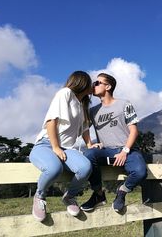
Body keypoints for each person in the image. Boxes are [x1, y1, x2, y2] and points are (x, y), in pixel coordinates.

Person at [29, 71, 99, 222]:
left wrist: (90, 145)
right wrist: (55, 147)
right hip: (46, 144)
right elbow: (51, 121)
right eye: (91, 82)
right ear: (82, 82)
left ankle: (69, 196)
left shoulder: (82, 105)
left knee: (85, 167)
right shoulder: (65, 93)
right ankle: (39, 196)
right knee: (54, 169)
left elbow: (85, 129)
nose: (93, 85)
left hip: (66, 148)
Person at [80, 72, 147, 213]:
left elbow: (134, 131)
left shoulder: (125, 104)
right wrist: (89, 145)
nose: (94, 85)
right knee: (88, 155)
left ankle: (122, 191)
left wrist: (125, 151)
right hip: (106, 151)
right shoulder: (92, 111)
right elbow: (84, 128)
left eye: (97, 83)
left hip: (127, 150)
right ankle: (98, 194)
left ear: (108, 86)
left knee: (140, 172)